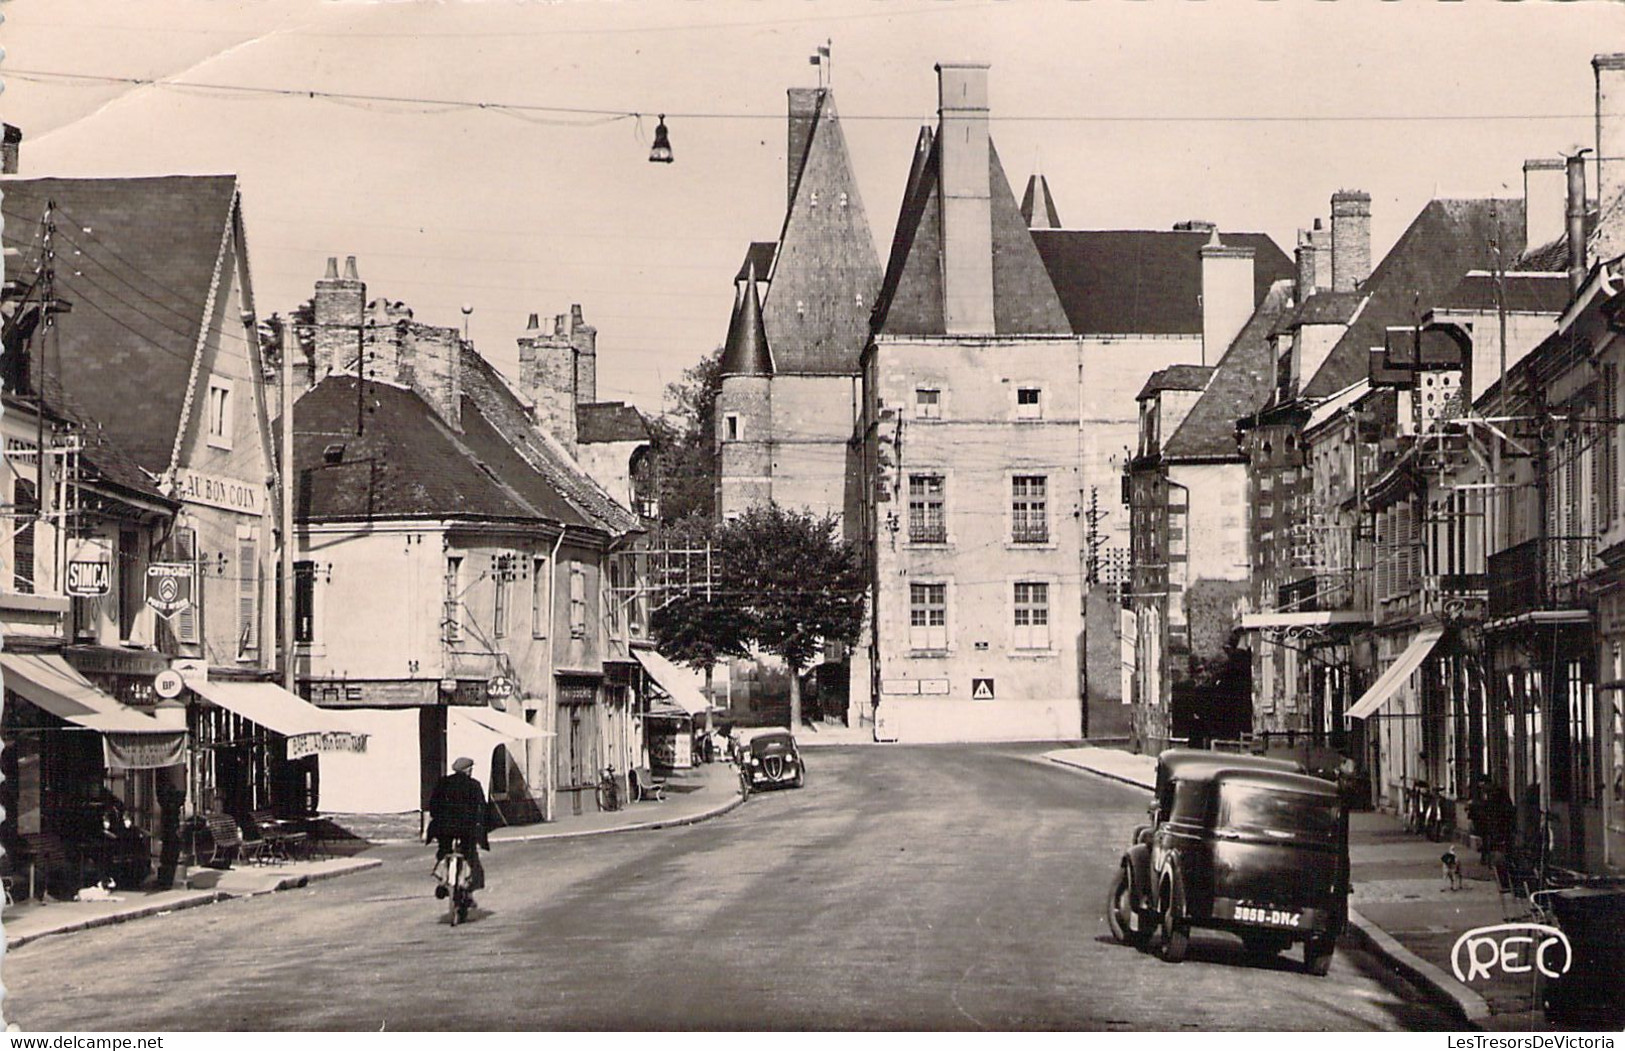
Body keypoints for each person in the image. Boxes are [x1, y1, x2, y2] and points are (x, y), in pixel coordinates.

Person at [426, 757, 491, 904]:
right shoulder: (474, 785)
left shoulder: (443, 783)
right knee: (470, 855)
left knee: (444, 851)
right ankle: (467, 886)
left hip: (444, 829)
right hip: (465, 829)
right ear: (468, 770)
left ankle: (442, 878)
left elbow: (433, 805)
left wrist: (436, 821)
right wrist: (483, 826)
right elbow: (482, 808)